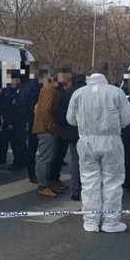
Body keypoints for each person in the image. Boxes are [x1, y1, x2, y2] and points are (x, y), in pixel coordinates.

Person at [67, 70, 130, 232]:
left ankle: (90, 221)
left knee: (89, 181)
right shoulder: (116, 92)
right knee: (112, 181)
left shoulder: (78, 93)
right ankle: (111, 222)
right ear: (106, 77)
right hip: (111, 141)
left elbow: (70, 119)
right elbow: (127, 119)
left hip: (86, 141)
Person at [32, 69, 62, 197]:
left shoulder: (52, 88)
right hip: (46, 129)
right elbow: (45, 110)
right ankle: (43, 185)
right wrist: (51, 127)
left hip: (47, 128)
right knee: (44, 158)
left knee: (47, 158)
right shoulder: (50, 89)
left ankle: (47, 183)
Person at [58, 73, 86, 201]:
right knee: (89, 163)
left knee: (75, 162)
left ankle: (76, 191)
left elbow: (62, 115)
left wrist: (66, 130)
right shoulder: (89, 93)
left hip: (73, 133)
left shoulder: (68, 93)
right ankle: (88, 190)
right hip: (88, 133)